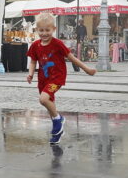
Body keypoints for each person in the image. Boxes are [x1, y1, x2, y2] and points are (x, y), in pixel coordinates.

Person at [27, 13, 96, 144]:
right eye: (41, 30)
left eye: (47, 30)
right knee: (49, 104)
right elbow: (33, 61)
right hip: (43, 79)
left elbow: (71, 57)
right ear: (37, 30)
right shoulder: (35, 45)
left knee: (43, 99)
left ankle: (58, 120)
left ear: (53, 29)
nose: (44, 33)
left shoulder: (57, 44)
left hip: (56, 77)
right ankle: (58, 130)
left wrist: (87, 69)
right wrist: (30, 74)